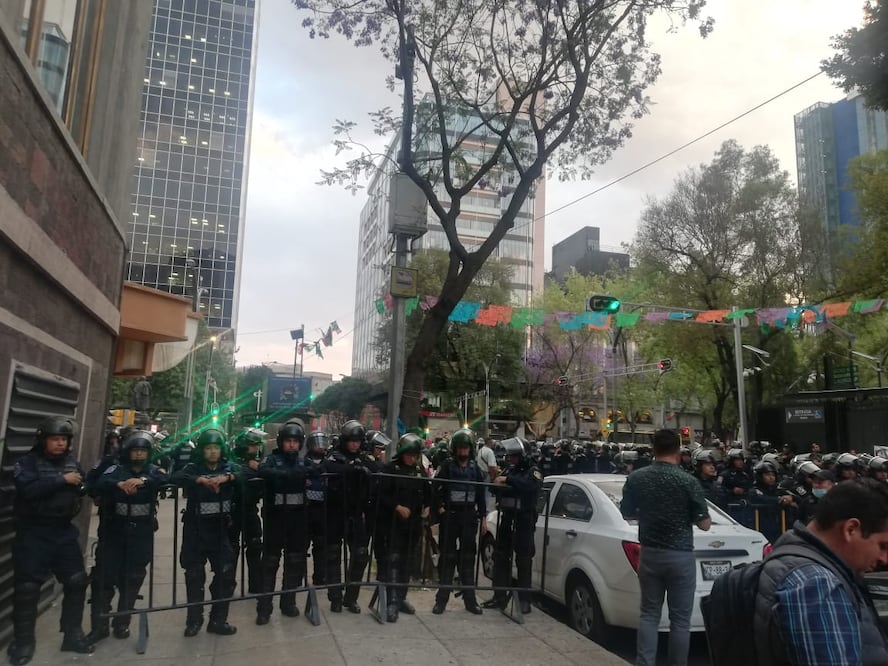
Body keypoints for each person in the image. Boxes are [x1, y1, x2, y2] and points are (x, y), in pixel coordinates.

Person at [753, 479, 888, 664]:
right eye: (883, 545)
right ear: (851, 529)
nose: (884, 558)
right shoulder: (817, 584)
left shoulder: (795, 560)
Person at [621, 429, 711, 666]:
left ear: (654, 449)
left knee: (649, 614)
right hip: (680, 555)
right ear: (679, 450)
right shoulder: (688, 481)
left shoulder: (637, 478)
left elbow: (627, 512)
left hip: (649, 554)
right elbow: (704, 524)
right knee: (680, 621)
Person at [8, 417, 94, 665]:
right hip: (34, 532)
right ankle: (23, 642)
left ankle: (72, 634)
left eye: (64, 440)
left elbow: (82, 484)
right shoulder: (27, 463)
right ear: (43, 439)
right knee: (27, 588)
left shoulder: (70, 462)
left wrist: (81, 486)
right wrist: (61, 481)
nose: (60, 443)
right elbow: (27, 490)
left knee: (77, 581)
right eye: (55, 439)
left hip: (63, 531)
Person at [86, 430, 166, 642]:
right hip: (114, 530)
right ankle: (99, 625)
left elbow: (165, 478)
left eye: (143, 451)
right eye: (135, 450)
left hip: (141, 532)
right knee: (104, 578)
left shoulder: (153, 470)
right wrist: (117, 484)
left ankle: (122, 623)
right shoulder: (114, 467)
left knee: (133, 578)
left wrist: (143, 480)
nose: (139, 455)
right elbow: (95, 482)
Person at [172, 428, 240, 637]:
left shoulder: (228, 467)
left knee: (226, 574)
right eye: (208, 448)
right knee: (194, 575)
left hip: (220, 530)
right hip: (196, 530)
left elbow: (245, 473)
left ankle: (218, 620)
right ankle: (194, 620)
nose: (212, 452)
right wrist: (199, 480)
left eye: (216, 448)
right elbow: (175, 476)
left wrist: (227, 478)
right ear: (202, 450)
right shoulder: (193, 468)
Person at [324, 420, 379, 613]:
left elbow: (378, 470)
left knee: (360, 555)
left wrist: (364, 469)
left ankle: (351, 597)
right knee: (333, 555)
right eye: (351, 440)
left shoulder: (365, 459)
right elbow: (328, 468)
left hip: (357, 513)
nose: (355, 444)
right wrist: (351, 469)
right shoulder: (334, 456)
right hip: (336, 512)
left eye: (358, 441)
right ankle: (335, 598)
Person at [374, 433, 430, 622]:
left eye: (415, 454)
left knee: (407, 561)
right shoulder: (391, 469)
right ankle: (391, 600)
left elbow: (429, 491)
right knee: (394, 561)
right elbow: (380, 495)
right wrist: (397, 507)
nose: (412, 458)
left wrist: (428, 507)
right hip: (393, 524)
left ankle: (401, 597)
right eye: (409, 454)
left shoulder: (419, 471)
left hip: (412, 525)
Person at [482, 437, 542, 614]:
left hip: (524, 519)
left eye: (515, 456)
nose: (512, 459)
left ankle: (524, 600)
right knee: (501, 557)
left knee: (523, 560)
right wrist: (498, 481)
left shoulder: (533, 471)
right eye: (511, 456)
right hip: (507, 518)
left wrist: (507, 481)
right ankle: (499, 596)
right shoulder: (510, 469)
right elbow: (494, 488)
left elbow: (529, 487)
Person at [256, 422, 308, 624]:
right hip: (275, 520)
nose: (292, 445)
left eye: (295, 442)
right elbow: (264, 471)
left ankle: (288, 603)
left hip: (297, 521)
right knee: (269, 563)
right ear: (281, 442)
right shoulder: (272, 460)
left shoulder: (303, 462)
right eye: (288, 441)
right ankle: (264, 608)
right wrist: (287, 475)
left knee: (294, 561)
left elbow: (318, 469)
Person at [432, 428, 486, 615]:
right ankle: (441, 601)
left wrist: (484, 517)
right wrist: (440, 508)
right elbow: (435, 488)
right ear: (454, 449)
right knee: (447, 558)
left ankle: (470, 601)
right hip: (451, 516)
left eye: (465, 449)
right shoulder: (447, 466)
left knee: (468, 560)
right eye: (460, 449)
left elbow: (481, 495)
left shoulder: (475, 469)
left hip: (469, 516)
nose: (462, 452)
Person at [229, 427, 266, 594]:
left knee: (255, 545)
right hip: (233, 511)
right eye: (253, 445)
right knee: (231, 548)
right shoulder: (231, 461)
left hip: (251, 510)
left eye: (257, 445)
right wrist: (251, 468)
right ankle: (228, 584)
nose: (256, 449)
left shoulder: (259, 463)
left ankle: (256, 584)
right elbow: (236, 474)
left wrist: (258, 468)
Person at [475, 437, 499, 509]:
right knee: (486, 494)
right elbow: (492, 466)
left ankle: (479, 509)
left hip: (480, 474)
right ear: (489, 443)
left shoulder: (480, 450)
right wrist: (494, 476)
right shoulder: (489, 451)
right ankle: (486, 510)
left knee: (481, 493)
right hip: (487, 475)